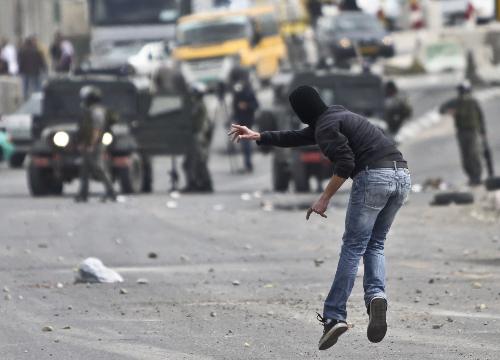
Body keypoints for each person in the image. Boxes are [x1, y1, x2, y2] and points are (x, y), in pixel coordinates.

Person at [229, 86, 411, 350]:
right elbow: (298, 136)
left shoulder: (326, 127)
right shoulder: (336, 116)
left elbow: (345, 164)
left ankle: (334, 316)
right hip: (402, 176)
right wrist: (260, 136)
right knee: (375, 244)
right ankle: (376, 297)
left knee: (352, 248)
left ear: (301, 111)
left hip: (374, 178)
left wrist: (324, 197)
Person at [75, 86, 117, 202]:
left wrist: (92, 145)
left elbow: (96, 130)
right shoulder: (92, 110)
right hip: (89, 144)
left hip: (95, 145)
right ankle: (83, 194)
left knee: (99, 168)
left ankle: (111, 192)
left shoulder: (97, 111)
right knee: (84, 170)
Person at [440, 81, 486, 186]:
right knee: (466, 156)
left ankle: (477, 177)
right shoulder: (456, 102)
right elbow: (442, 109)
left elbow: (480, 117)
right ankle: (472, 177)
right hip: (462, 132)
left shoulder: (473, 102)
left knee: (474, 155)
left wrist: (483, 132)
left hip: (473, 132)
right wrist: (449, 111)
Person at [182, 83, 214, 193]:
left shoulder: (198, 105)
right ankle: (199, 183)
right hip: (199, 135)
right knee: (196, 161)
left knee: (196, 161)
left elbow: (194, 121)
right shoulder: (199, 104)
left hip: (198, 136)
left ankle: (198, 183)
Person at [231, 69, 259, 173]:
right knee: (243, 144)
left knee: (246, 144)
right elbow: (234, 106)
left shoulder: (249, 91)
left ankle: (248, 165)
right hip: (240, 120)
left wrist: (246, 106)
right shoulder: (237, 92)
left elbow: (256, 105)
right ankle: (247, 164)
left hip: (248, 120)